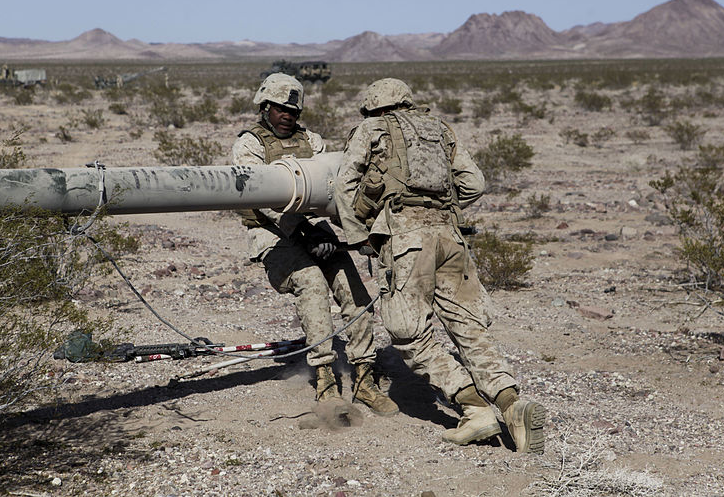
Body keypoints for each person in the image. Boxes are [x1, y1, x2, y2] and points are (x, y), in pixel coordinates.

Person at [334, 78, 545, 453]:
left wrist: (361, 236)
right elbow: (474, 184)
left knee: (408, 333)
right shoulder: (440, 129)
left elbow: (343, 186)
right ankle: (512, 404)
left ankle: (473, 407)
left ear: (375, 108)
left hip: (406, 240)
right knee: (468, 326)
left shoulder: (372, 129)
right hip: (451, 237)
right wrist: (443, 210)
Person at [231, 73, 398, 416]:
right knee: (311, 284)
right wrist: (307, 233)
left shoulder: (313, 141)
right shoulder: (249, 145)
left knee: (355, 294)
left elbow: (335, 186)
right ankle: (325, 379)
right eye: (279, 108)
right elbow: (262, 201)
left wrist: (344, 229)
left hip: (317, 228)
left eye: (293, 109)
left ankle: (364, 378)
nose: (287, 114)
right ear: (264, 107)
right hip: (273, 234)